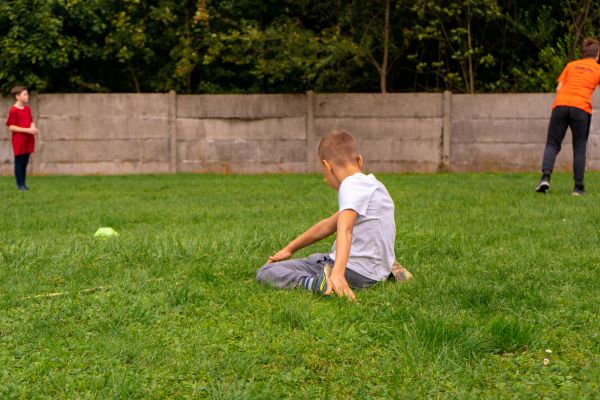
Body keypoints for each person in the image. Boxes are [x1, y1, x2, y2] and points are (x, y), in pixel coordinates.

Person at [256, 130, 411, 301]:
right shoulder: (374, 185)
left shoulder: (350, 185)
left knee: (266, 272)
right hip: (376, 273)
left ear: (327, 166)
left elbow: (345, 230)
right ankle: (389, 267)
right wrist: (289, 249)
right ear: (360, 160)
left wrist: (337, 273)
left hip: (354, 272)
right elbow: (329, 224)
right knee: (317, 257)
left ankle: (315, 283)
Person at [536, 38, 600, 196]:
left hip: (561, 105)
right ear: (597, 54)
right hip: (581, 108)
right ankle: (578, 188)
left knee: (552, 143)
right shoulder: (597, 69)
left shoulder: (570, 66)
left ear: (582, 53)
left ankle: (545, 178)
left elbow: (559, 88)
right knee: (579, 146)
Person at [5, 85, 38, 191]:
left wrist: (33, 127)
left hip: (28, 139)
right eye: (25, 94)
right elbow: (11, 126)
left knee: (25, 162)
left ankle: (23, 183)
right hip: (19, 140)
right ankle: (20, 185)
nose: (27, 96)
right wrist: (27, 130)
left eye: (27, 94)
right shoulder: (13, 111)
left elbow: (30, 121)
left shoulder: (27, 109)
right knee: (19, 162)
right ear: (17, 96)